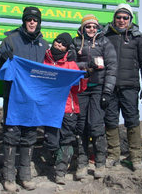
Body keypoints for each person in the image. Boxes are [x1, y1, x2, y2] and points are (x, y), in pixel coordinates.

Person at [0, 6, 49, 191]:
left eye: (35, 20)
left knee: (30, 135)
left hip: (34, 98)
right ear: (24, 21)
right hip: (14, 96)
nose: (32, 22)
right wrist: (3, 58)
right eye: (29, 19)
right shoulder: (11, 40)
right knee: (12, 134)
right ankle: (8, 176)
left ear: (39, 22)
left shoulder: (44, 45)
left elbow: (51, 68)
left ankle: (25, 175)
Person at [102, 3, 142, 171]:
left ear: (130, 19)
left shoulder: (138, 38)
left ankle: (136, 157)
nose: (122, 20)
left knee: (132, 120)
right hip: (109, 87)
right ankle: (113, 155)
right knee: (110, 120)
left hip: (130, 86)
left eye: (125, 17)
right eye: (119, 17)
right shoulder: (105, 35)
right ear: (114, 18)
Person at [70, 14, 117, 180]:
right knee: (81, 126)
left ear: (97, 28)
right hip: (81, 89)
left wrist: (107, 92)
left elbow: (112, 68)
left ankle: (100, 163)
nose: (91, 29)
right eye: (88, 26)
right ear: (83, 28)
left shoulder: (105, 43)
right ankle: (82, 164)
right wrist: (87, 66)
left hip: (98, 89)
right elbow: (71, 64)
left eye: (94, 26)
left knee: (96, 126)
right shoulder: (75, 43)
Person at [43, 33, 87, 185]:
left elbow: (80, 88)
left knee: (66, 140)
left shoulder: (71, 65)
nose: (59, 45)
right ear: (54, 41)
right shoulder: (43, 61)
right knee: (52, 141)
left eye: (64, 44)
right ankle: (55, 160)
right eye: (58, 41)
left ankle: (60, 172)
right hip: (49, 109)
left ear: (67, 48)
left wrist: (83, 77)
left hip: (69, 108)